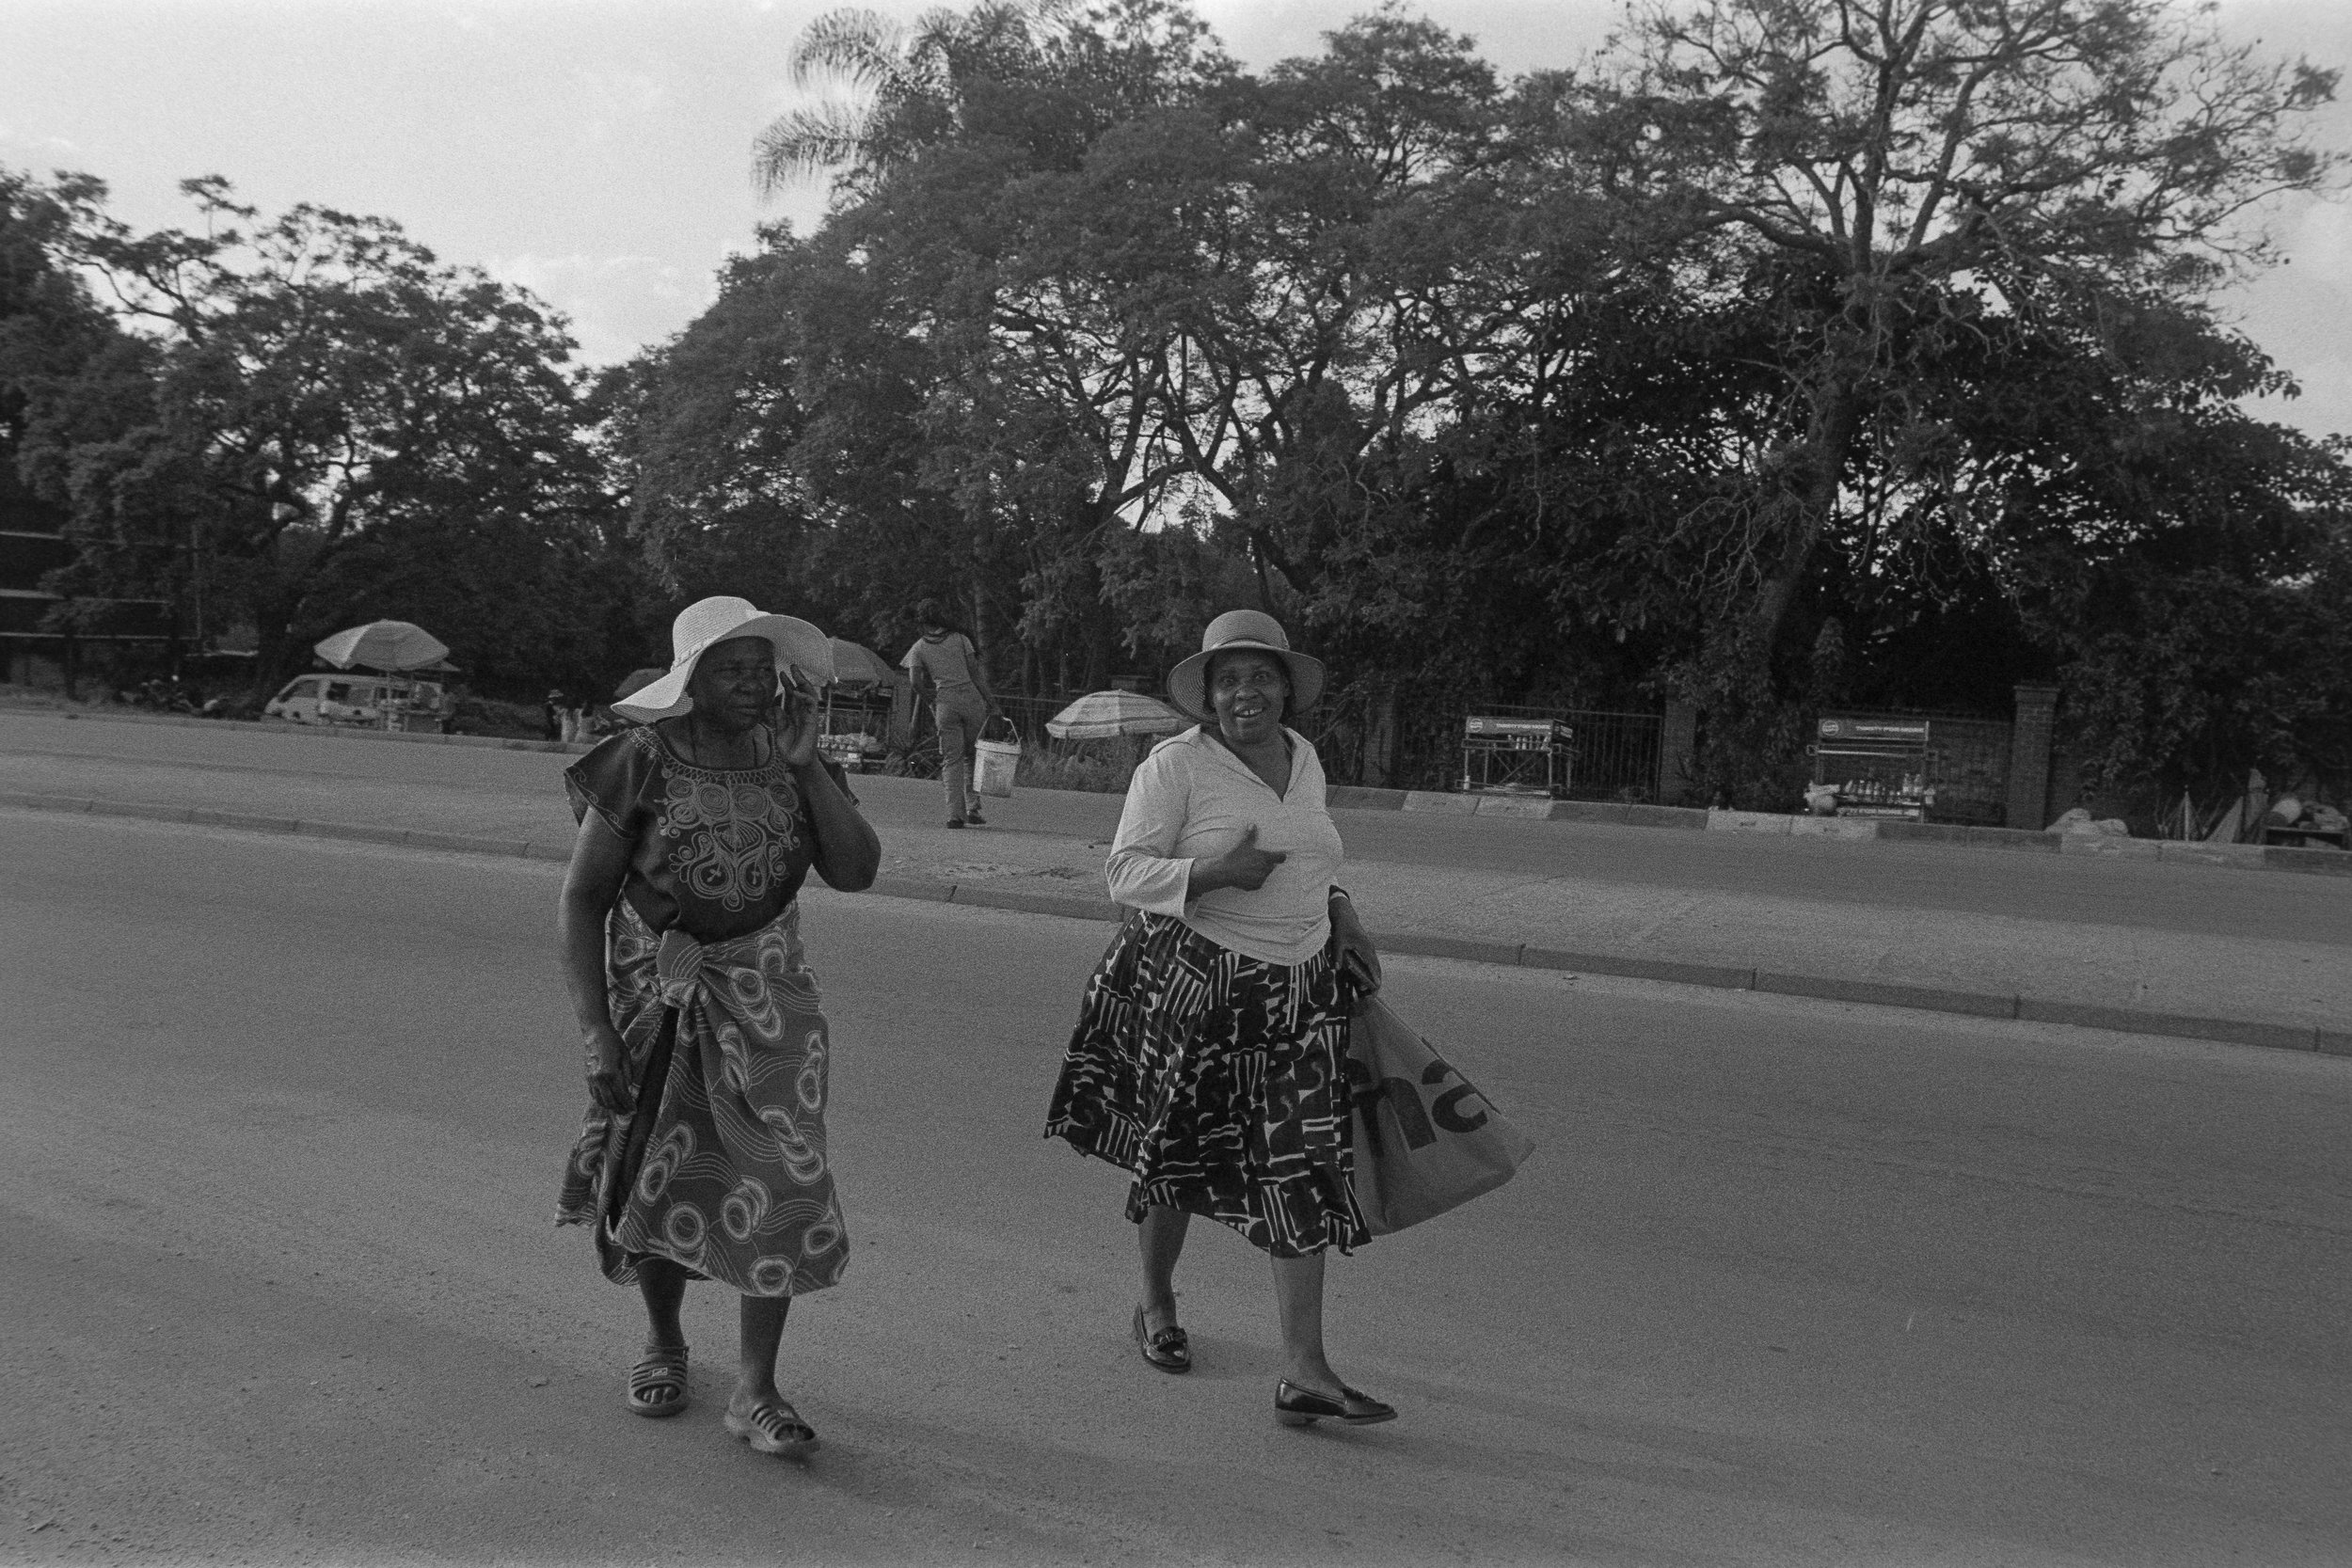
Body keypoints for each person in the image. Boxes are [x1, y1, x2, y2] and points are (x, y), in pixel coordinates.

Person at [1044, 609, 1394, 1428]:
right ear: (1207, 694)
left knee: (1303, 1164)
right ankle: (1155, 1299)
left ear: (1285, 688)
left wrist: (1343, 912)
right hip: (1199, 987)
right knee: (1178, 1151)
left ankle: (1305, 1369)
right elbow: (1124, 873)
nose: (1246, 693)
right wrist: (1213, 871)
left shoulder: (1304, 758)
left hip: (1301, 990)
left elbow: (1312, 859)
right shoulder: (1176, 765)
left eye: (1261, 676)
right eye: (1229, 679)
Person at [555, 595, 882, 1459]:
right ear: (690, 681)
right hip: (658, 994)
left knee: (782, 1173)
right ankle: (664, 1338)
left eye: (760, 669)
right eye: (730, 669)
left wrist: (808, 769)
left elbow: (857, 870)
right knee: (659, 1166)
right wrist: (595, 1029)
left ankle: (755, 1387)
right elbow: (582, 898)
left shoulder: (795, 757)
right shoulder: (639, 760)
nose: (752, 684)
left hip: (771, 1001)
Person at [899, 602, 1001, 828]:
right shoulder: (961, 639)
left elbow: (915, 682)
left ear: (922, 621)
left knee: (951, 759)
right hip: (972, 702)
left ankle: (955, 815)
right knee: (972, 755)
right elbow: (976, 675)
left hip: (945, 704)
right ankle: (973, 807)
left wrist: (930, 699)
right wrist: (992, 704)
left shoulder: (918, 648)